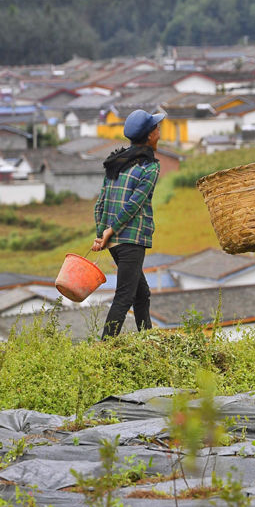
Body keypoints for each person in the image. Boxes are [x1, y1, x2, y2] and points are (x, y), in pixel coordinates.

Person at [92, 109, 165, 338]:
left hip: (114, 241)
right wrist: (110, 230)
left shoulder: (116, 161)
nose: (160, 132)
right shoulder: (149, 167)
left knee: (142, 294)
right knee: (125, 295)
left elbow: (101, 203)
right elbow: (134, 205)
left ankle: (147, 338)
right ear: (150, 136)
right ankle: (104, 346)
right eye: (157, 129)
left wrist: (102, 233)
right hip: (131, 240)